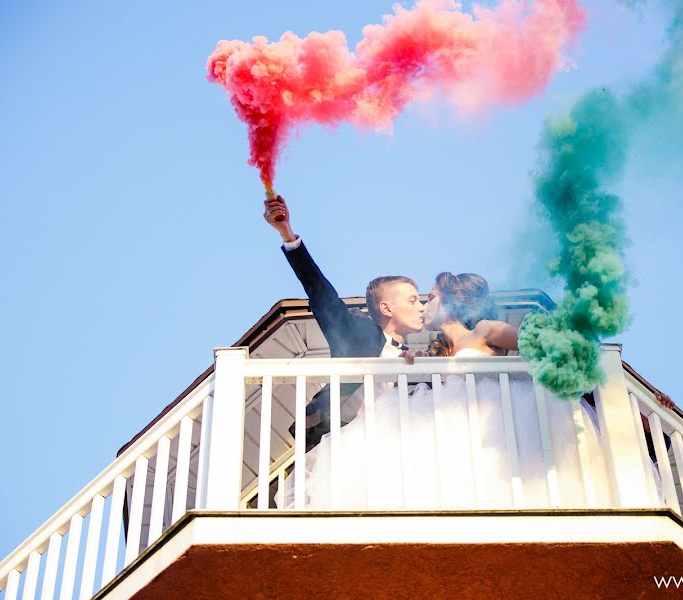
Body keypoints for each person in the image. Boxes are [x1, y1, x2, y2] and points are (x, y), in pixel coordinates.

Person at [282, 272, 621, 510]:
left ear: (449, 302)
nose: (421, 306)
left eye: (427, 298)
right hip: (456, 435)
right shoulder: (434, 354)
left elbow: (535, 347)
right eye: (415, 300)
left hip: (496, 425)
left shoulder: (486, 329)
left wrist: (573, 353)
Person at [264, 195, 425, 450]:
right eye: (413, 300)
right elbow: (320, 291)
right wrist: (287, 234)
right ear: (386, 308)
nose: (421, 307)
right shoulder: (357, 334)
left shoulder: (418, 359)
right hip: (341, 446)